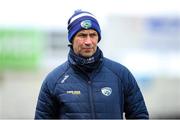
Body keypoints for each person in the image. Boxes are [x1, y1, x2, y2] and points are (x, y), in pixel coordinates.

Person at [35, 10, 149, 119]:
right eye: (82, 35)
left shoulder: (121, 74)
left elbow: (139, 115)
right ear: (72, 39)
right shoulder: (54, 80)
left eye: (93, 35)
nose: (88, 42)